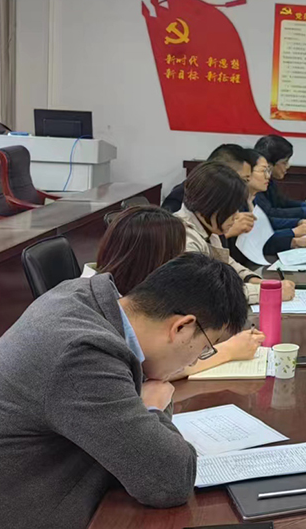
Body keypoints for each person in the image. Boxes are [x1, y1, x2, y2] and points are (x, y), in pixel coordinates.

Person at [0, 253, 248, 529]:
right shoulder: (82, 352)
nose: (196, 360)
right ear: (182, 327)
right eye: (207, 347)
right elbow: (170, 479)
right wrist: (151, 408)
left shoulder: (79, 298)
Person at [84, 206, 265, 378]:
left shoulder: (115, 289)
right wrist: (228, 351)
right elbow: (151, 369)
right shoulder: (100, 316)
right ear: (152, 261)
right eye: (177, 257)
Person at [175, 161, 293, 304]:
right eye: (231, 209)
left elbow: (226, 264)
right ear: (210, 205)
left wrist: (255, 280)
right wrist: (267, 293)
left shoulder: (206, 226)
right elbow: (206, 294)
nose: (236, 215)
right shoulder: (185, 239)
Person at [232, 149, 306, 264]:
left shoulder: (251, 198)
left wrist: (294, 240)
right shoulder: (235, 204)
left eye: (268, 171)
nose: (268, 176)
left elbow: (263, 229)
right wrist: (293, 232)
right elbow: (257, 239)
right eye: (263, 171)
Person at [161, 143, 253, 214]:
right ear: (220, 174)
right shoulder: (180, 200)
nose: (244, 186)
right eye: (243, 180)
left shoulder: (234, 199)